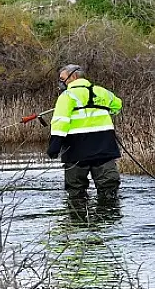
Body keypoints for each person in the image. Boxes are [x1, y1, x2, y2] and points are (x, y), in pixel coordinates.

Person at [47, 64, 123, 200]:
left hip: (76, 150)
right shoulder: (102, 92)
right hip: (104, 148)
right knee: (109, 191)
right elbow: (117, 106)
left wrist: (54, 146)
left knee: (76, 192)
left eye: (62, 79)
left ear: (74, 77)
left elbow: (60, 121)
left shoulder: (66, 96)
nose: (61, 82)